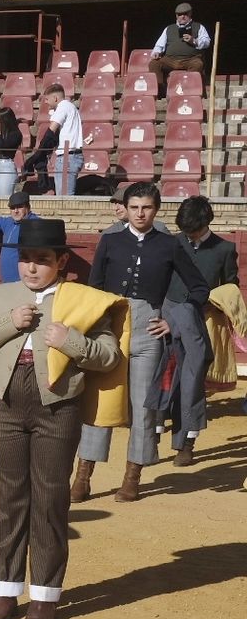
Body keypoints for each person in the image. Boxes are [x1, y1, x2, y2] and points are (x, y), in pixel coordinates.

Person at [0, 218, 126, 619]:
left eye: (42, 260)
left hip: (58, 407)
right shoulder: (1, 295)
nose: (32, 268)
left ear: (61, 261)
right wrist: (7, 324)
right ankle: (4, 589)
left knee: (50, 501)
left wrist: (70, 340)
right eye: (26, 259)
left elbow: (110, 357)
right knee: (9, 498)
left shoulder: (82, 300)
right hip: (7, 405)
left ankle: (45, 595)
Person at [71, 182, 209, 503]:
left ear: (156, 209)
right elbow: (94, 289)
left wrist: (172, 320)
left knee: (144, 408)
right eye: (134, 207)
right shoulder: (110, 241)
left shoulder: (170, 245)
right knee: (100, 402)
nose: (139, 213)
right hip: (111, 329)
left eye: (146, 207)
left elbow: (199, 288)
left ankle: (132, 476)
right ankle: (83, 476)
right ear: (126, 208)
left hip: (148, 330)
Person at [157, 195, 239, 464]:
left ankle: (186, 443)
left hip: (198, 321)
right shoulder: (174, 242)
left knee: (191, 385)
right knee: (161, 379)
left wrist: (216, 304)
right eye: (185, 229)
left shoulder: (224, 249)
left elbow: (230, 287)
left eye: (193, 229)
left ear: (207, 223)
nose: (188, 235)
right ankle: (152, 436)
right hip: (166, 317)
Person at [148, 2, 211, 94]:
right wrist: (157, 52)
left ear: (190, 14)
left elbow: (206, 42)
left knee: (198, 65)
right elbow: (159, 45)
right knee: (154, 64)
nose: (182, 16)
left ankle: (188, 90)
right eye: (180, 14)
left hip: (191, 59)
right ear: (176, 16)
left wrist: (194, 40)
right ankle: (160, 90)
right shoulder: (169, 28)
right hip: (170, 59)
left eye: (185, 14)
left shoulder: (199, 27)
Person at [0, 192, 39, 285]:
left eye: (19, 207)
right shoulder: (8, 222)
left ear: (28, 207)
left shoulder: (35, 223)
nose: (16, 211)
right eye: (12, 208)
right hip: (6, 279)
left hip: (23, 281)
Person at [40, 83, 84, 197]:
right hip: (68, 156)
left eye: (47, 99)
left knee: (64, 197)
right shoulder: (69, 107)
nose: (45, 102)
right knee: (62, 195)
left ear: (55, 98)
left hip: (67, 157)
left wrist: (40, 151)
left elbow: (51, 130)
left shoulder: (63, 106)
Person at [0, 106, 23, 196]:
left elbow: (0, 148)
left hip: (6, 166)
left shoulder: (15, 134)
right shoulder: (0, 135)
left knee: (4, 197)